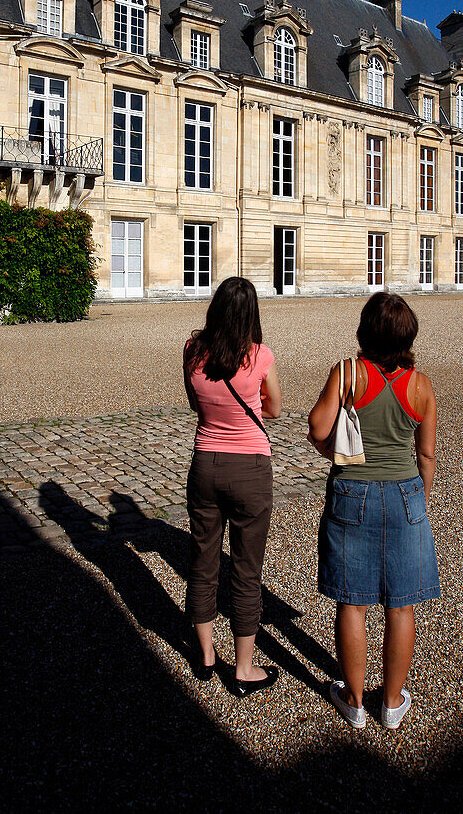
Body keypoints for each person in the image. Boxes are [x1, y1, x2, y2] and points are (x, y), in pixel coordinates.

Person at [308, 292, 440, 730]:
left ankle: (355, 699)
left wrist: (334, 452)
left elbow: (317, 428)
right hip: (404, 492)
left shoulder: (347, 374)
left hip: (354, 490)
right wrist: (420, 498)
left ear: (365, 331)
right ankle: (392, 701)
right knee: (401, 606)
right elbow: (426, 456)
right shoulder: (420, 385)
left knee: (354, 603)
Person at [183, 276, 282, 697]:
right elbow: (275, 408)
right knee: (245, 568)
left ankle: (205, 656)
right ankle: (243, 667)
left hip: (205, 461)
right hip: (250, 466)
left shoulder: (193, 351)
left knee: (204, 561)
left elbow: (194, 401)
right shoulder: (259, 355)